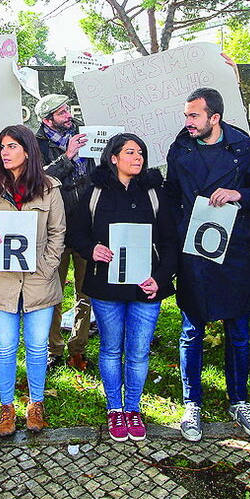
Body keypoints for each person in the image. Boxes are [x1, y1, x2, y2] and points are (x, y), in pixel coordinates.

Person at [164, 88, 250, 441]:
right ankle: (192, 402)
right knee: (191, 332)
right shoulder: (180, 149)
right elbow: (171, 196)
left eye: (194, 116)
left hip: (234, 251)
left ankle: (238, 401)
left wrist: (239, 195)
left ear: (215, 118)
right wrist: (176, 234)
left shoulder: (242, 146)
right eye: (186, 115)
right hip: (193, 252)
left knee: (238, 333)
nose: (187, 122)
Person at [69, 133, 177, 441]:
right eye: (130, 152)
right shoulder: (94, 192)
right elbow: (77, 234)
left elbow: (170, 241)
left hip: (146, 288)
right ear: (113, 158)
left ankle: (133, 408)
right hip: (107, 287)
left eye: (141, 152)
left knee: (139, 352)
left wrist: (161, 277)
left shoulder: (156, 192)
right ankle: (115, 409)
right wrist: (92, 251)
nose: (138, 157)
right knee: (111, 348)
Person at [0, 125, 66, 436]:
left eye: (12, 146)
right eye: (2, 146)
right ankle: (7, 405)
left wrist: (47, 267)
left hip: (39, 282)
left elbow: (57, 233)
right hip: (0, 281)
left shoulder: (50, 188)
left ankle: (36, 403)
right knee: (6, 346)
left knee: (37, 346)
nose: (5, 152)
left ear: (27, 151)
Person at [34, 94, 94, 370]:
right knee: (52, 291)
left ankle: (78, 346)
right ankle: (54, 348)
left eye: (68, 109)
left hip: (86, 226)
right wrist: (67, 156)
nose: (68, 115)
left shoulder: (86, 133)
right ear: (47, 120)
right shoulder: (35, 144)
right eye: (61, 113)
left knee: (85, 291)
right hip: (54, 229)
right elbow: (40, 180)